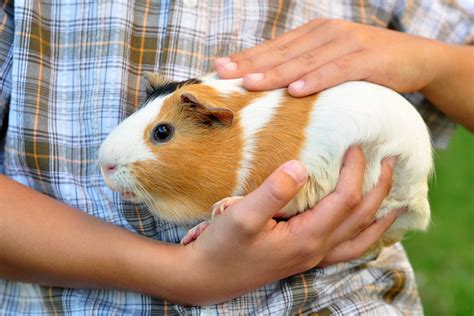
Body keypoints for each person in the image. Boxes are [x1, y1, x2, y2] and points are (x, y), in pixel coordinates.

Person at [0, 0, 472, 314]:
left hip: (338, 298)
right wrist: (182, 274)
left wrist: (434, 61)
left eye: (161, 133)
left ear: (214, 118)